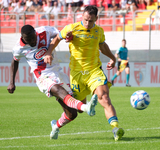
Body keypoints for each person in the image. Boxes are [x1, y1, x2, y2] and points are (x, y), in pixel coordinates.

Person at [44, 5, 125, 141]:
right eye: (86, 20)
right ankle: (56, 124)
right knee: (78, 110)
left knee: (104, 98)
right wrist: (48, 53)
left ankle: (116, 129)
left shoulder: (98, 31)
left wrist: (112, 58)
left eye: (91, 21)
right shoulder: (71, 28)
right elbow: (56, 39)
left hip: (94, 71)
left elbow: (103, 46)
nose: (88, 24)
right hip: (76, 75)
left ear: (96, 19)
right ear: (82, 16)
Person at [7, 25, 98, 140]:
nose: (32, 41)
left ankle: (56, 126)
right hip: (42, 77)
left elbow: (60, 35)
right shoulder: (19, 48)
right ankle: (86, 107)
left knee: (73, 113)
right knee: (59, 91)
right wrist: (11, 82)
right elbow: (15, 61)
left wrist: (67, 36)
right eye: (28, 40)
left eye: (33, 38)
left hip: (57, 72)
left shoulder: (45, 31)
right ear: (23, 38)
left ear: (35, 33)